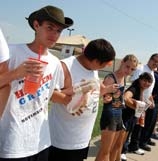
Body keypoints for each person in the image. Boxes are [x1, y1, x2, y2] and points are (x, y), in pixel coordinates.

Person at [0, 5, 73, 160]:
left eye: (59, 31)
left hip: (41, 140)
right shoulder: (11, 52)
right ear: (36, 25)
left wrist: (74, 95)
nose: (54, 34)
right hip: (12, 142)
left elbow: (49, 95)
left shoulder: (55, 63)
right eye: (50, 27)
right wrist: (15, 74)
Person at [48, 38, 116, 161]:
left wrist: (104, 92)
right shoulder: (65, 66)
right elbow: (49, 94)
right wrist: (71, 101)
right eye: (105, 64)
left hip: (83, 137)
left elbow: (91, 92)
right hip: (63, 139)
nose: (104, 67)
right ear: (96, 61)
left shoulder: (93, 68)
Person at [95, 54, 138, 161]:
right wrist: (106, 96)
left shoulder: (123, 78)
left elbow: (117, 98)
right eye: (127, 66)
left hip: (119, 114)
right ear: (122, 62)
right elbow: (102, 96)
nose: (129, 70)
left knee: (112, 149)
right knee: (105, 151)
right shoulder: (111, 77)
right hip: (109, 115)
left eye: (132, 69)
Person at [120, 72, 153, 161]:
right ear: (140, 80)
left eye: (149, 82)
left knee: (128, 134)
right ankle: (121, 152)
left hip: (132, 116)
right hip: (126, 116)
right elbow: (125, 97)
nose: (147, 83)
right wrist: (136, 106)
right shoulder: (134, 88)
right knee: (124, 136)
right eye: (145, 81)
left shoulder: (141, 89)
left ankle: (122, 151)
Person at [0, 28, 10, 117]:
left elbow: (5, 85)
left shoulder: (55, 62)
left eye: (58, 31)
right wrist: (17, 73)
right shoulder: (14, 50)